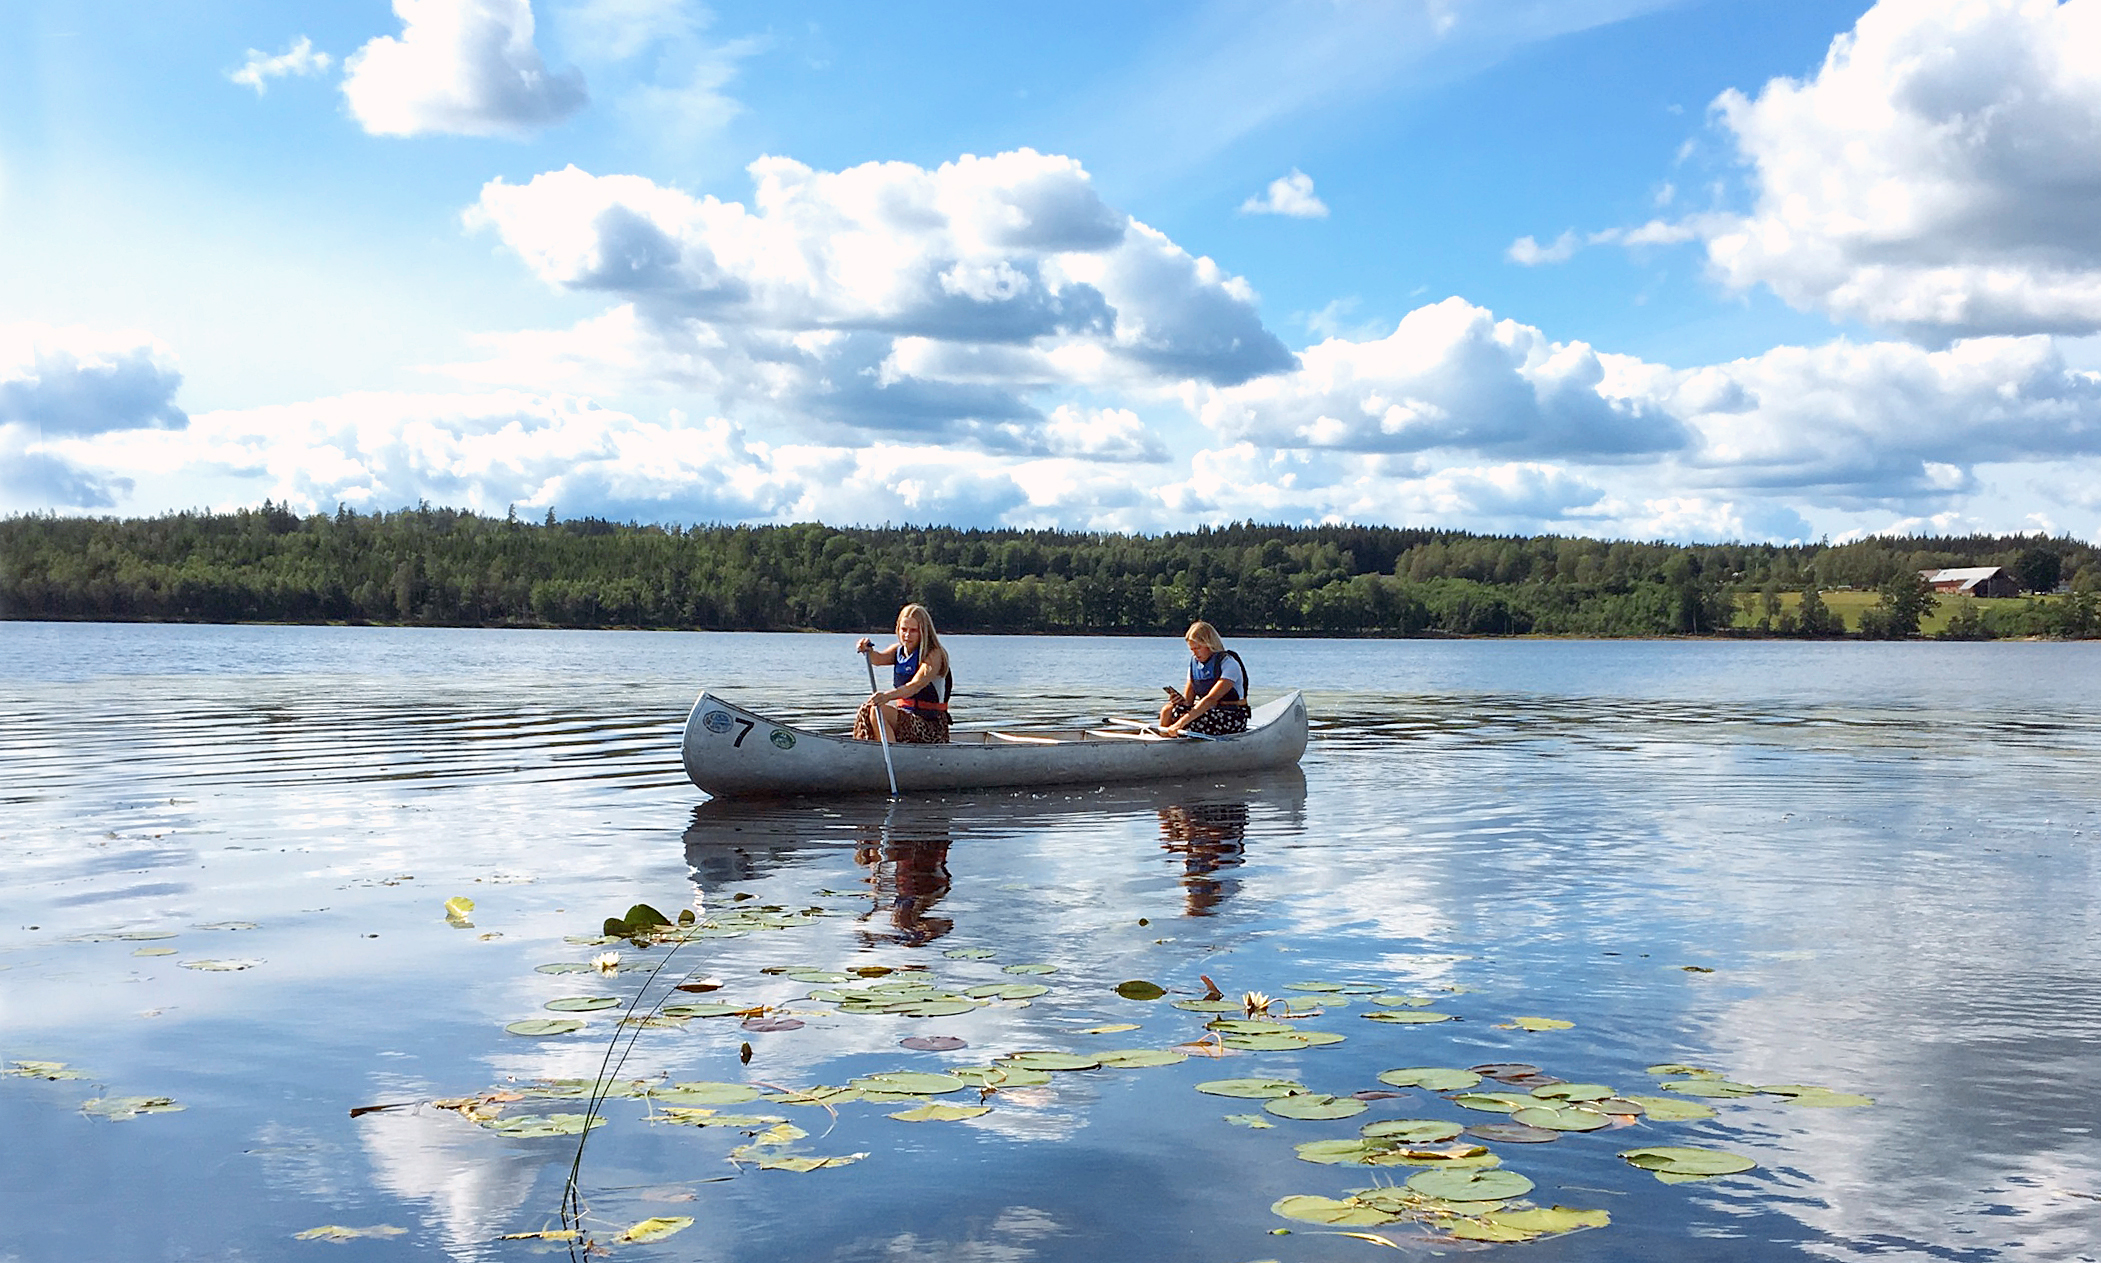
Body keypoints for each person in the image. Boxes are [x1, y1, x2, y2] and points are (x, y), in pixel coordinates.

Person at [854, 603, 953, 745]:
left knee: (879, 711)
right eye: (903, 629)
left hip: (932, 726)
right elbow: (877, 659)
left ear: (923, 631)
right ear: (898, 629)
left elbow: (915, 686)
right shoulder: (898, 651)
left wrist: (887, 696)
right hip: (907, 718)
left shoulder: (934, 654)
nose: (907, 635)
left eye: (913, 630)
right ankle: (878, 749)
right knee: (868, 709)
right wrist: (867, 650)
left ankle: (893, 756)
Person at [1157, 620, 1251, 736]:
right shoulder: (1194, 665)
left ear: (1209, 644)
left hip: (1231, 716)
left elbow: (1211, 699)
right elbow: (1188, 701)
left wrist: (1179, 724)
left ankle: (1174, 740)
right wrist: (1178, 701)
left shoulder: (1229, 663)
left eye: (1198, 648)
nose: (1195, 653)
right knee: (1167, 710)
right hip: (1208, 712)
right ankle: (1166, 742)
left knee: (1188, 720)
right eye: (1192, 649)